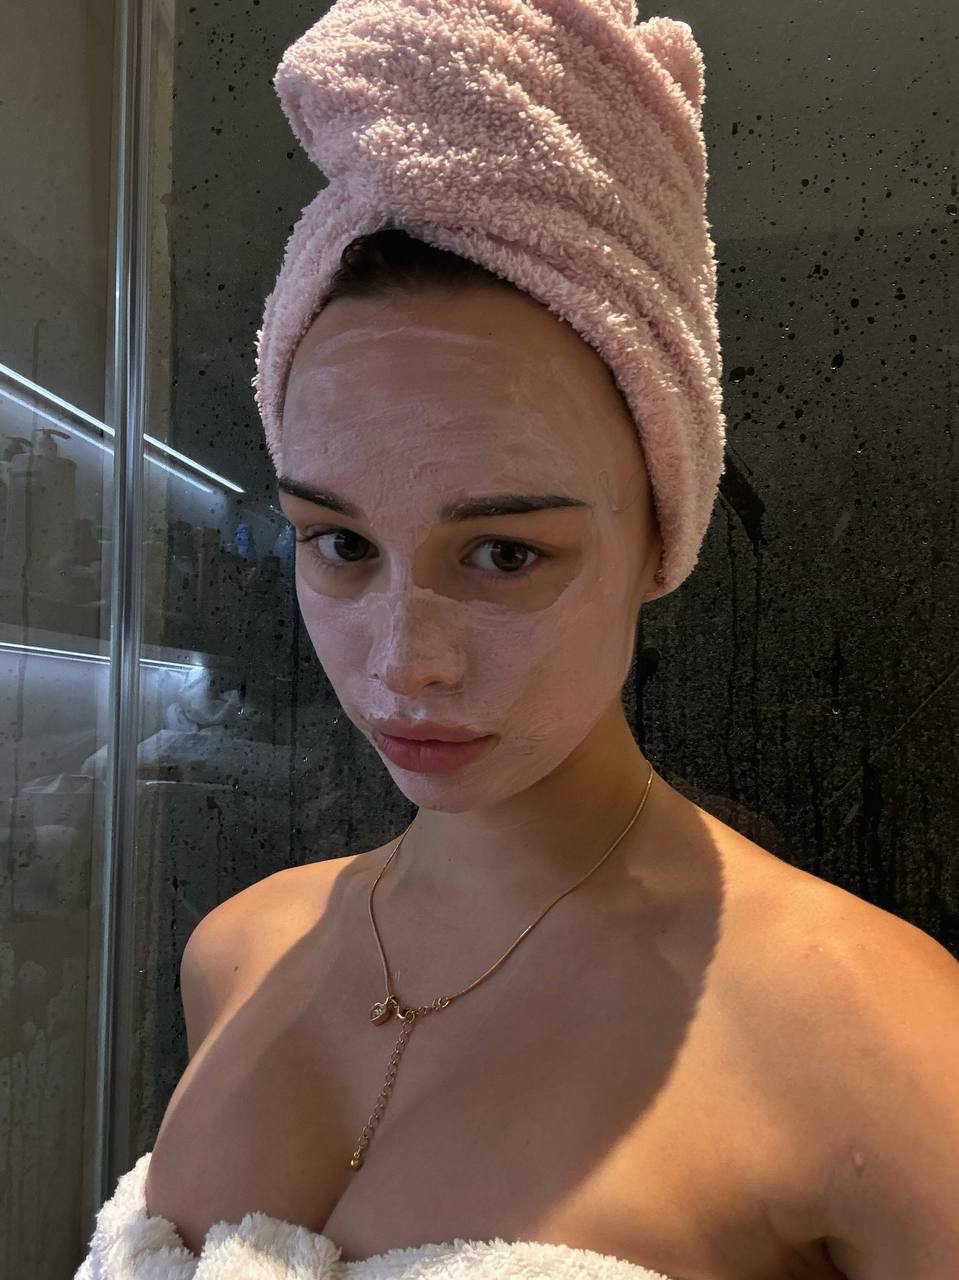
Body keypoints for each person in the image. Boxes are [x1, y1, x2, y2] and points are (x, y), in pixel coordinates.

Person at [75, 4, 959, 1278]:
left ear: (659, 533)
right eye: (338, 541)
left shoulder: (871, 1036)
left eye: (502, 552)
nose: (401, 664)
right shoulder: (237, 949)